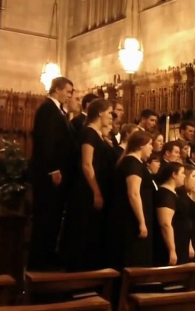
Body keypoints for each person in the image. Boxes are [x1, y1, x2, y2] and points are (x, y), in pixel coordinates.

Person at [28, 77, 78, 271]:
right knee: (45, 219)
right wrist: (54, 169)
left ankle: (46, 256)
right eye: (68, 91)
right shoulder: (48, 109)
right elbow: (47, 141)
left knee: (52, 219)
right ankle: (39, 262)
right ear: (57, 89)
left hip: (56, 175)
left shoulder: (57, 110)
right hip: (49, 176)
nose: (70, 95)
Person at [62, 98, 114, 271]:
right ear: (100, 113)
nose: (111, 116)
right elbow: (86, 164)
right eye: (109, 112)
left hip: (99, 187)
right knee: (84, 232)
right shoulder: (89, 133)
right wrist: (96, 191)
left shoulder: (100, 135)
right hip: (87, 190)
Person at [109, 131, 155, 268]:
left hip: (132, 218)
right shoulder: (132, 163)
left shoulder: (133, 162)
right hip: (131, 220)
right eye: (150, 144)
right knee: (133, 259)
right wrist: (141, 222)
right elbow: (133, 193)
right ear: (141, 145)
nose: (152, 148)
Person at [154, 162, 186, 266]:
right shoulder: (165, 194)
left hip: (179, 243)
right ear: (174, 174)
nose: (184, 176)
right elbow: (165, 224)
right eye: (182, 173)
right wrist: (172, 250)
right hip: (167, 247)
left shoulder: (172, 193)